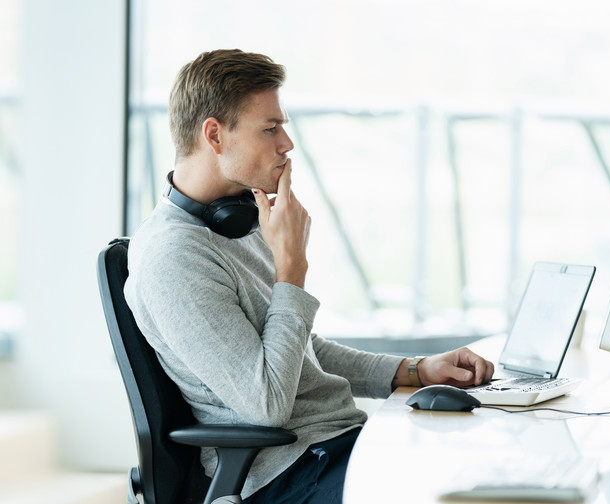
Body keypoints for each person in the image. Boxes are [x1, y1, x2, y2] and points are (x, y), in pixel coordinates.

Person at [124, 48, 495, 503]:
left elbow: (301, 352)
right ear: (215, 135)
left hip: (333, 448)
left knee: (491, 461)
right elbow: (266, 405)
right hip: (288, 474)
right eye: (269, 128)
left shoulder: (237, 222)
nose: (286, 144)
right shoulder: (173, 258)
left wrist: (415, 370)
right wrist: (291, 270)